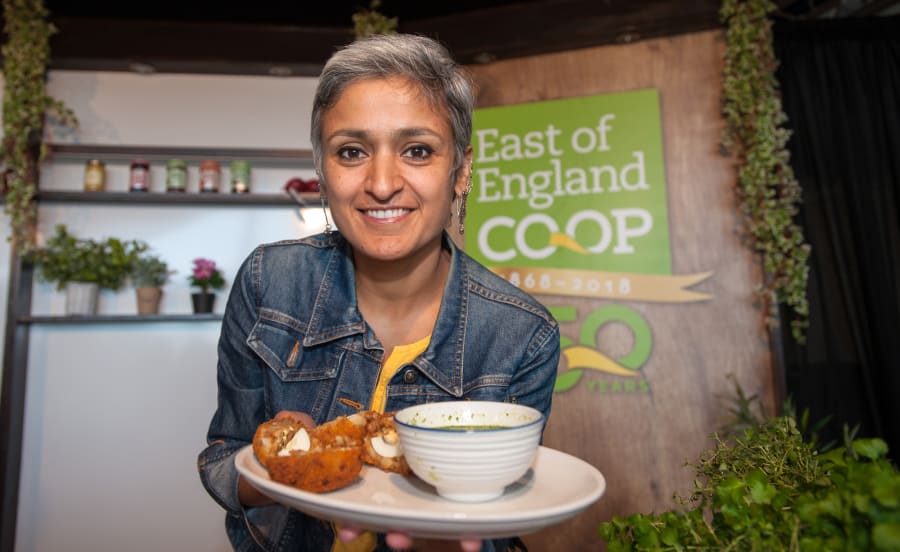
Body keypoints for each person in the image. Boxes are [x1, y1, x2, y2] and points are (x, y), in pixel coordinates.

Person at [197, 33, 560, 552]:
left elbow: (502, 514)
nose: (383, 183)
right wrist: (281, 465)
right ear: (323, 172)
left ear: (461, 170)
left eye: (417, 150)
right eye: (351, 151)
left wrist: (443, 531)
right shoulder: (268, 282)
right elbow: (222, 460)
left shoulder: (524, 334)